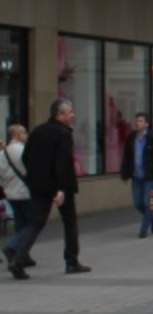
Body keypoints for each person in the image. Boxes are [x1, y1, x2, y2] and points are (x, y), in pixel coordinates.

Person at [21, 99, 90, 275]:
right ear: (59, 114)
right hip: (60, 186)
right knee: (70, 223)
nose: (73, 115)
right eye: (70, 112)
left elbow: (25, 157)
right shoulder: (64, 134)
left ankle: (18, 255)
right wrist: (60, 188)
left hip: (38, 185)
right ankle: (71, 261)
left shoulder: (37, 131)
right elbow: (63, 164)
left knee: (36, 222)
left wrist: (35, 177)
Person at [120, 113, 153, 238]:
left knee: (147, 203)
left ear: (146, 124)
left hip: (149, 176)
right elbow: (127, 157)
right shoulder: (131, 138)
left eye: (140, 121)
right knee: (137, 203)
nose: (137, 123)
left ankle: (143, 229)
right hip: (136, 175)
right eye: (136, 121)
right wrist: (124, 174)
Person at [1, 124, 35, 279]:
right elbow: (31, 169)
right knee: (30, 225)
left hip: (10, 193)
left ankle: (22, 254)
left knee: (20, 223)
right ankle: (13, 246)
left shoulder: (3, 153)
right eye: (24, 132)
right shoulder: (21, 150)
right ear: (18, 134)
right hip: (24, 192)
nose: (26, 135)